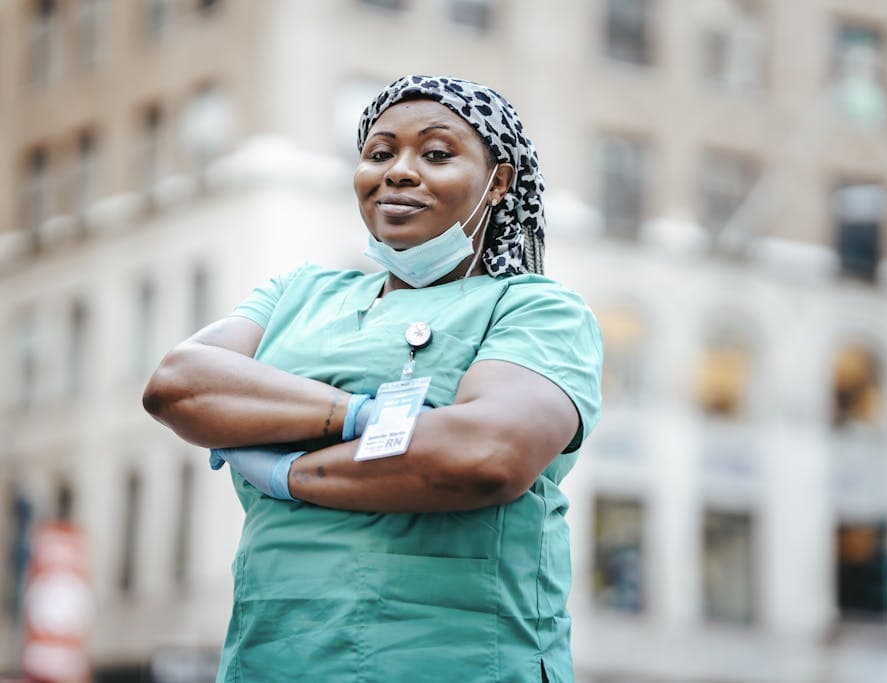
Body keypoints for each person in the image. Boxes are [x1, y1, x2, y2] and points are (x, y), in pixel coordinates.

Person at [143, 75, 603, 683]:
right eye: (380, 153)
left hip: (455, 661)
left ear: (498, 182)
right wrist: (368, 419)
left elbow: (487, 452)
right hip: (275, 661)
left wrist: (286, 473)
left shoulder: (537, 309)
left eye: (436, 154)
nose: (400, 172)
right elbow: (180, 385)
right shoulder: (298, 293)